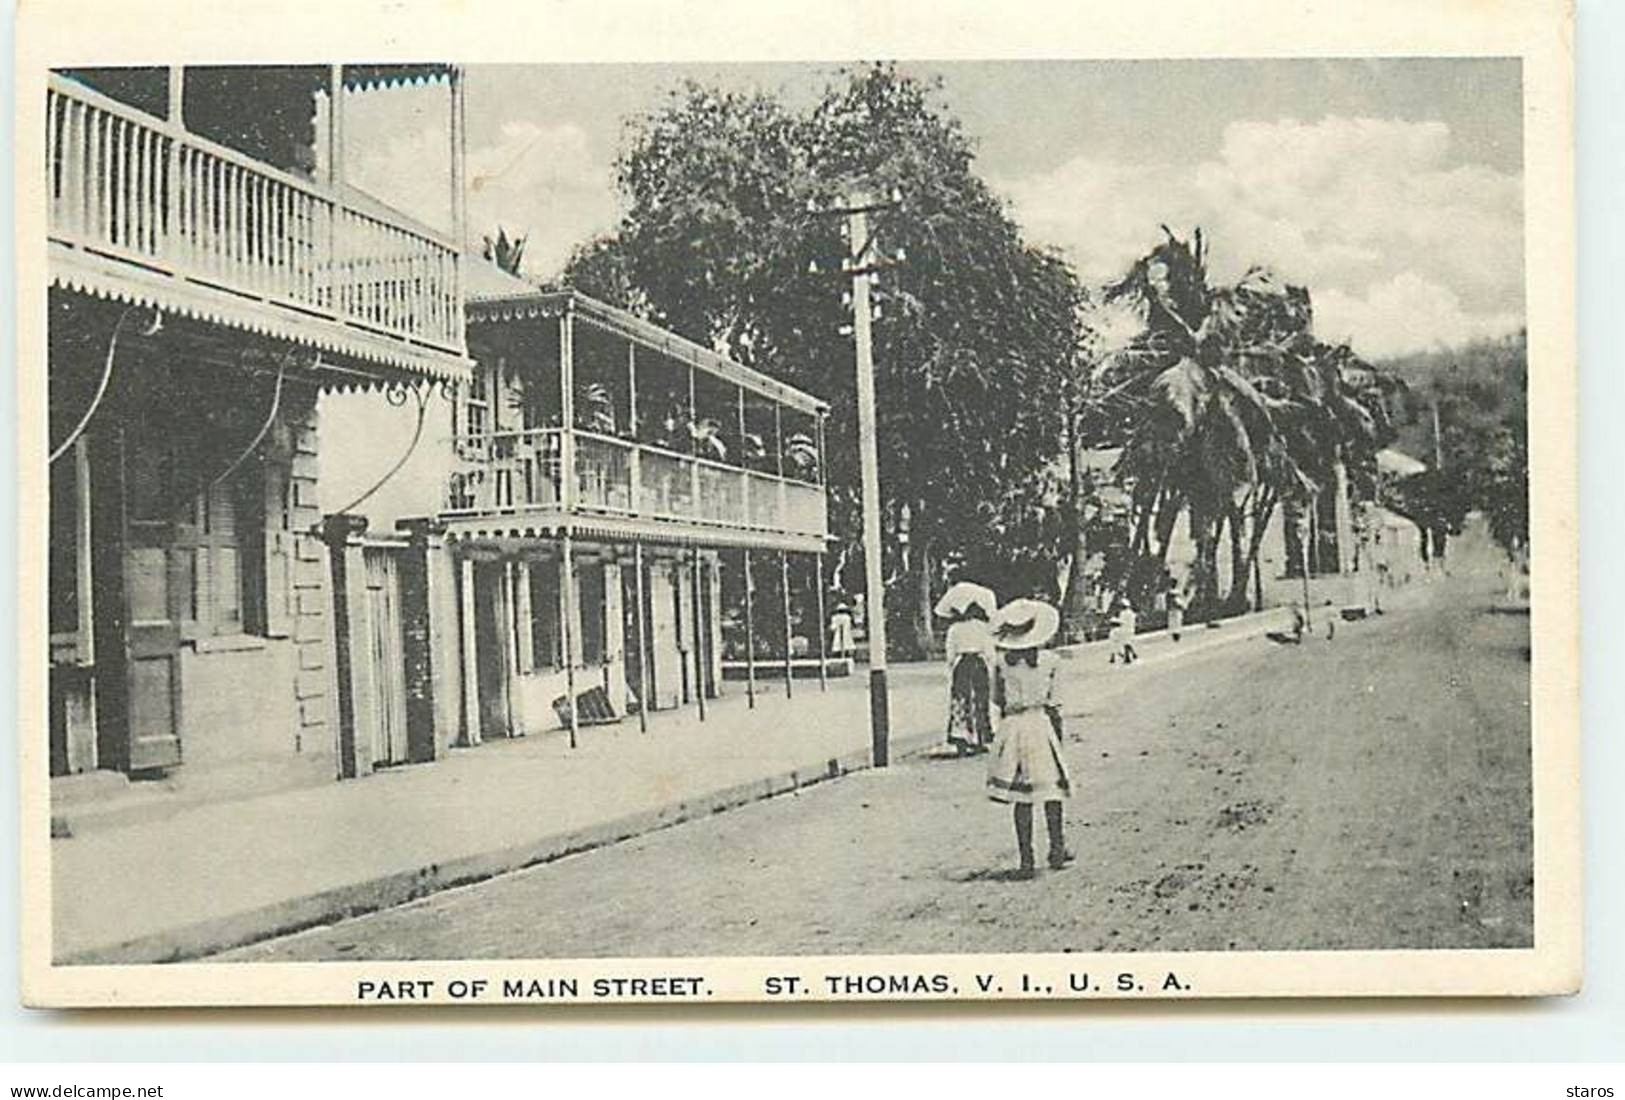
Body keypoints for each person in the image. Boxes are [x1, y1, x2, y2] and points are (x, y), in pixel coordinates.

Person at [986, 598, 1073, 878]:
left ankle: (1027, 859)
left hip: (1012, 727)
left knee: (1021, 796)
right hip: (1040, 724)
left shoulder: (1001, 663)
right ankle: (1057, 848)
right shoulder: (1050, 662)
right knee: (1051, 790)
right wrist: (1058, 739)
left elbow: (996, 699)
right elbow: (1055, 703)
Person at [944, 604, 997, 754]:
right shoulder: (983, 627)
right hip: (978, 664)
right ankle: (980, 738)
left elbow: (950, 653)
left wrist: (952, 666)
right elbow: (989, 651)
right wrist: (990, 666)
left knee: (961, 701)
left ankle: (961, 738)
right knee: (980, 700)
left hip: (962, 665)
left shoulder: (954, 629)